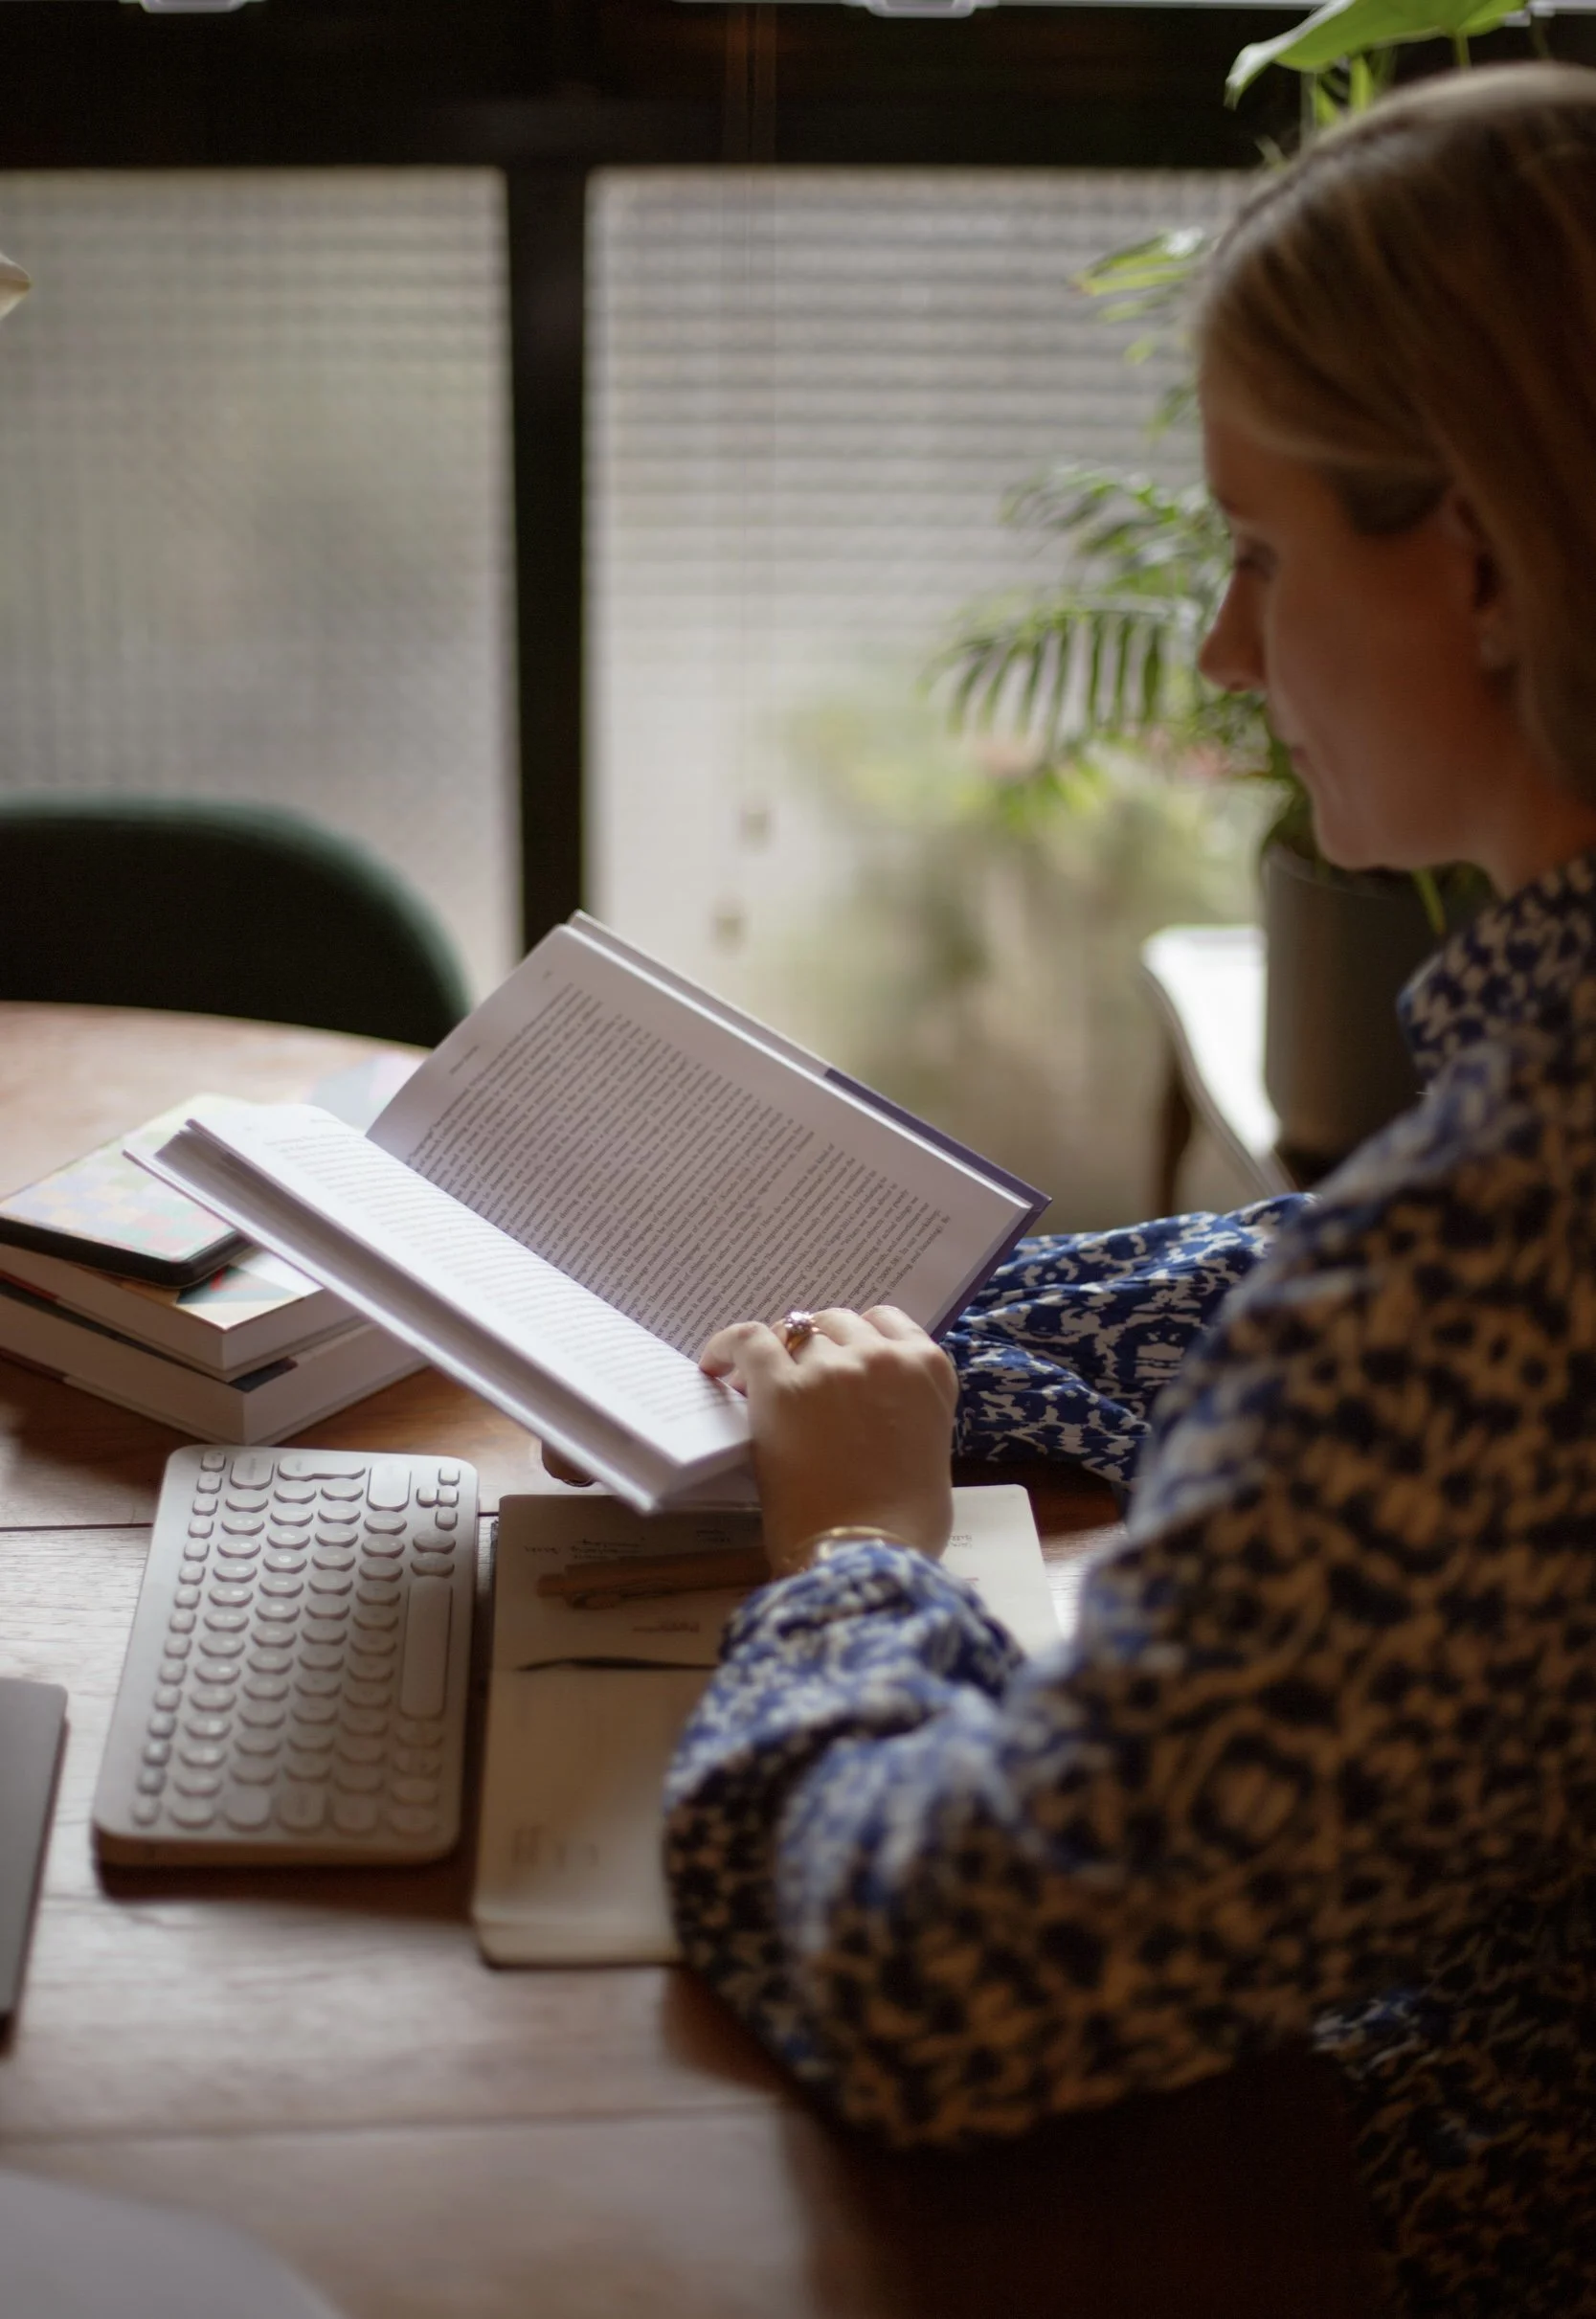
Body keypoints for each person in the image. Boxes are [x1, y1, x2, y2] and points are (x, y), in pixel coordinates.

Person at [655, 65, 1596, 2319]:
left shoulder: (1496, 1251)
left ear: (1472, 560)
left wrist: (855, 1556)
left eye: (1261, 554)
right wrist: (950, 1345)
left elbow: (948, 1978)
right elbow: (1306, 1287)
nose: (1220, 656)